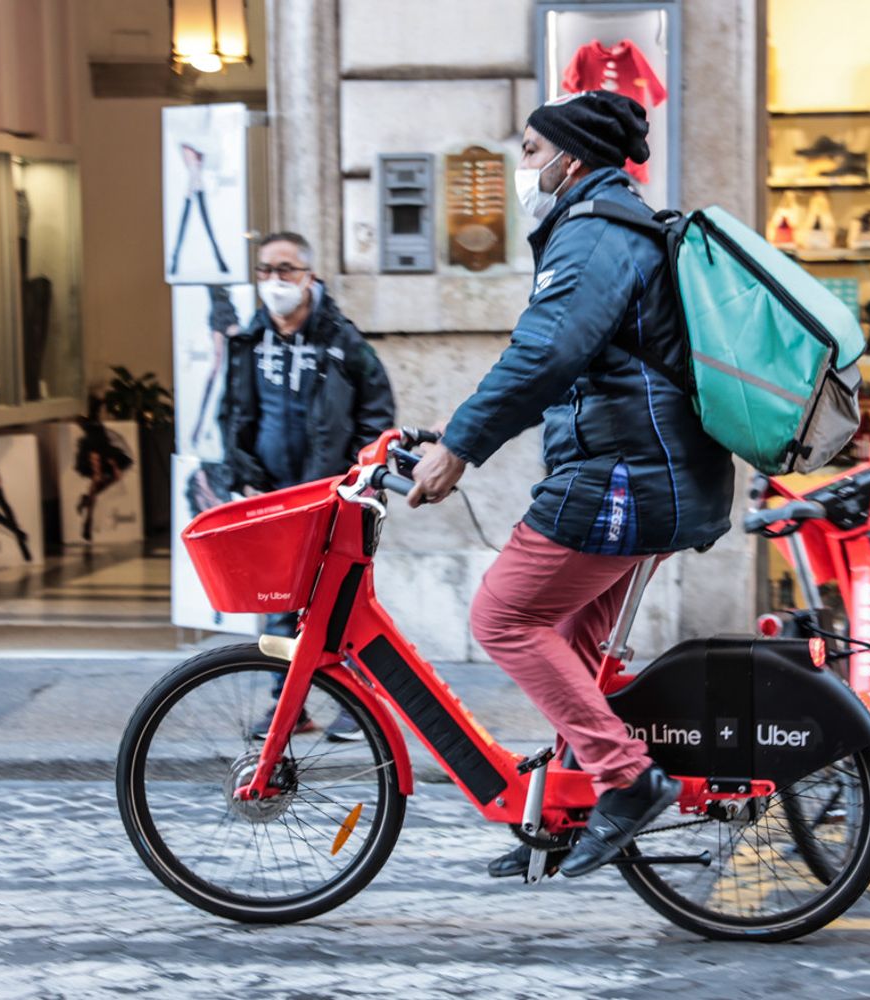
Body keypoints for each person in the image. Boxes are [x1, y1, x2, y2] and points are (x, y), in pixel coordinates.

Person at [407, 91, 734, 879]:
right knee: (571, 641)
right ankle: (565, 803)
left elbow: (547, 354)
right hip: (650, 473)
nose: (522, 166)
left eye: (529, 150)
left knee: (503, 615)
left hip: (625, 476)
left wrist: (460, 446)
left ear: (571, 158)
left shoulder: (592, 236)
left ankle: (625, 779)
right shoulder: (609, 226)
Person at [220, 231, 396, 740]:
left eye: (286, 270)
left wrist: (359, 477)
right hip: (273, 501)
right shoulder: (248, 342)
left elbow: (377, 412)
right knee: (278, 605)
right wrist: (243, 475)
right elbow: (233, 414)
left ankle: (357, 706)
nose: (274, 282)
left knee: (338, 604)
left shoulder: (344, 342)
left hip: (332, 498)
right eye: (265, 271)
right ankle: (287, 708)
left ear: (309, 277)